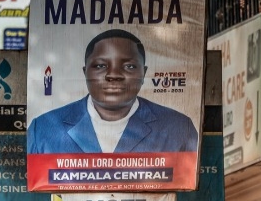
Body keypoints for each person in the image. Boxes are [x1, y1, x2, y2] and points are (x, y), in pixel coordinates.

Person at [28, 29, 199, 154]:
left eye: (129, 66)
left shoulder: (178, 128)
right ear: (85, 71)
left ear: (144, 73)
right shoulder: (44, 129)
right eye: (101, 66)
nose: (114, 75)